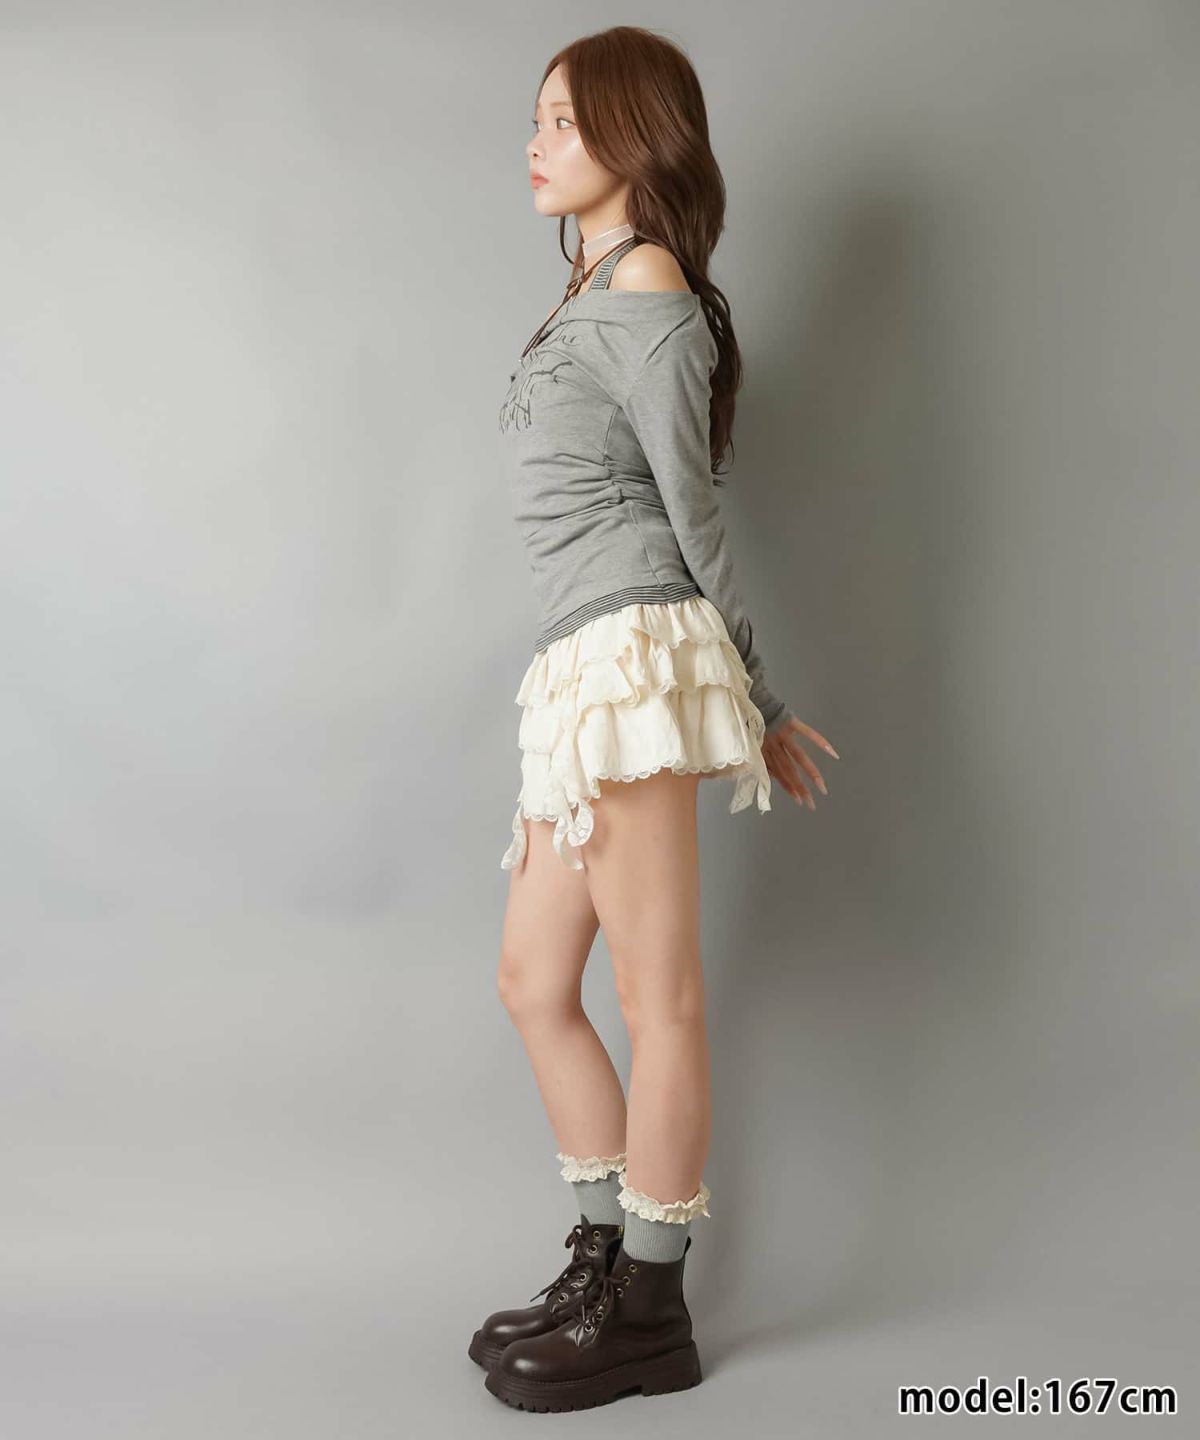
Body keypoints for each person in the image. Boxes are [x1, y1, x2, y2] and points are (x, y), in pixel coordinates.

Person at [470, 26, 839, 1412]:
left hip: (636, 657)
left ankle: (650, 1307)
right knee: (532, 980)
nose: (538, 142)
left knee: (656, 995)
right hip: (581, 664)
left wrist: (758, 696)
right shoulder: (590, 288)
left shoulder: (649, 288)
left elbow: (695, 519)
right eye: (537, 118)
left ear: (636, 136)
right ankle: (599, 1264)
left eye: (565, 121)